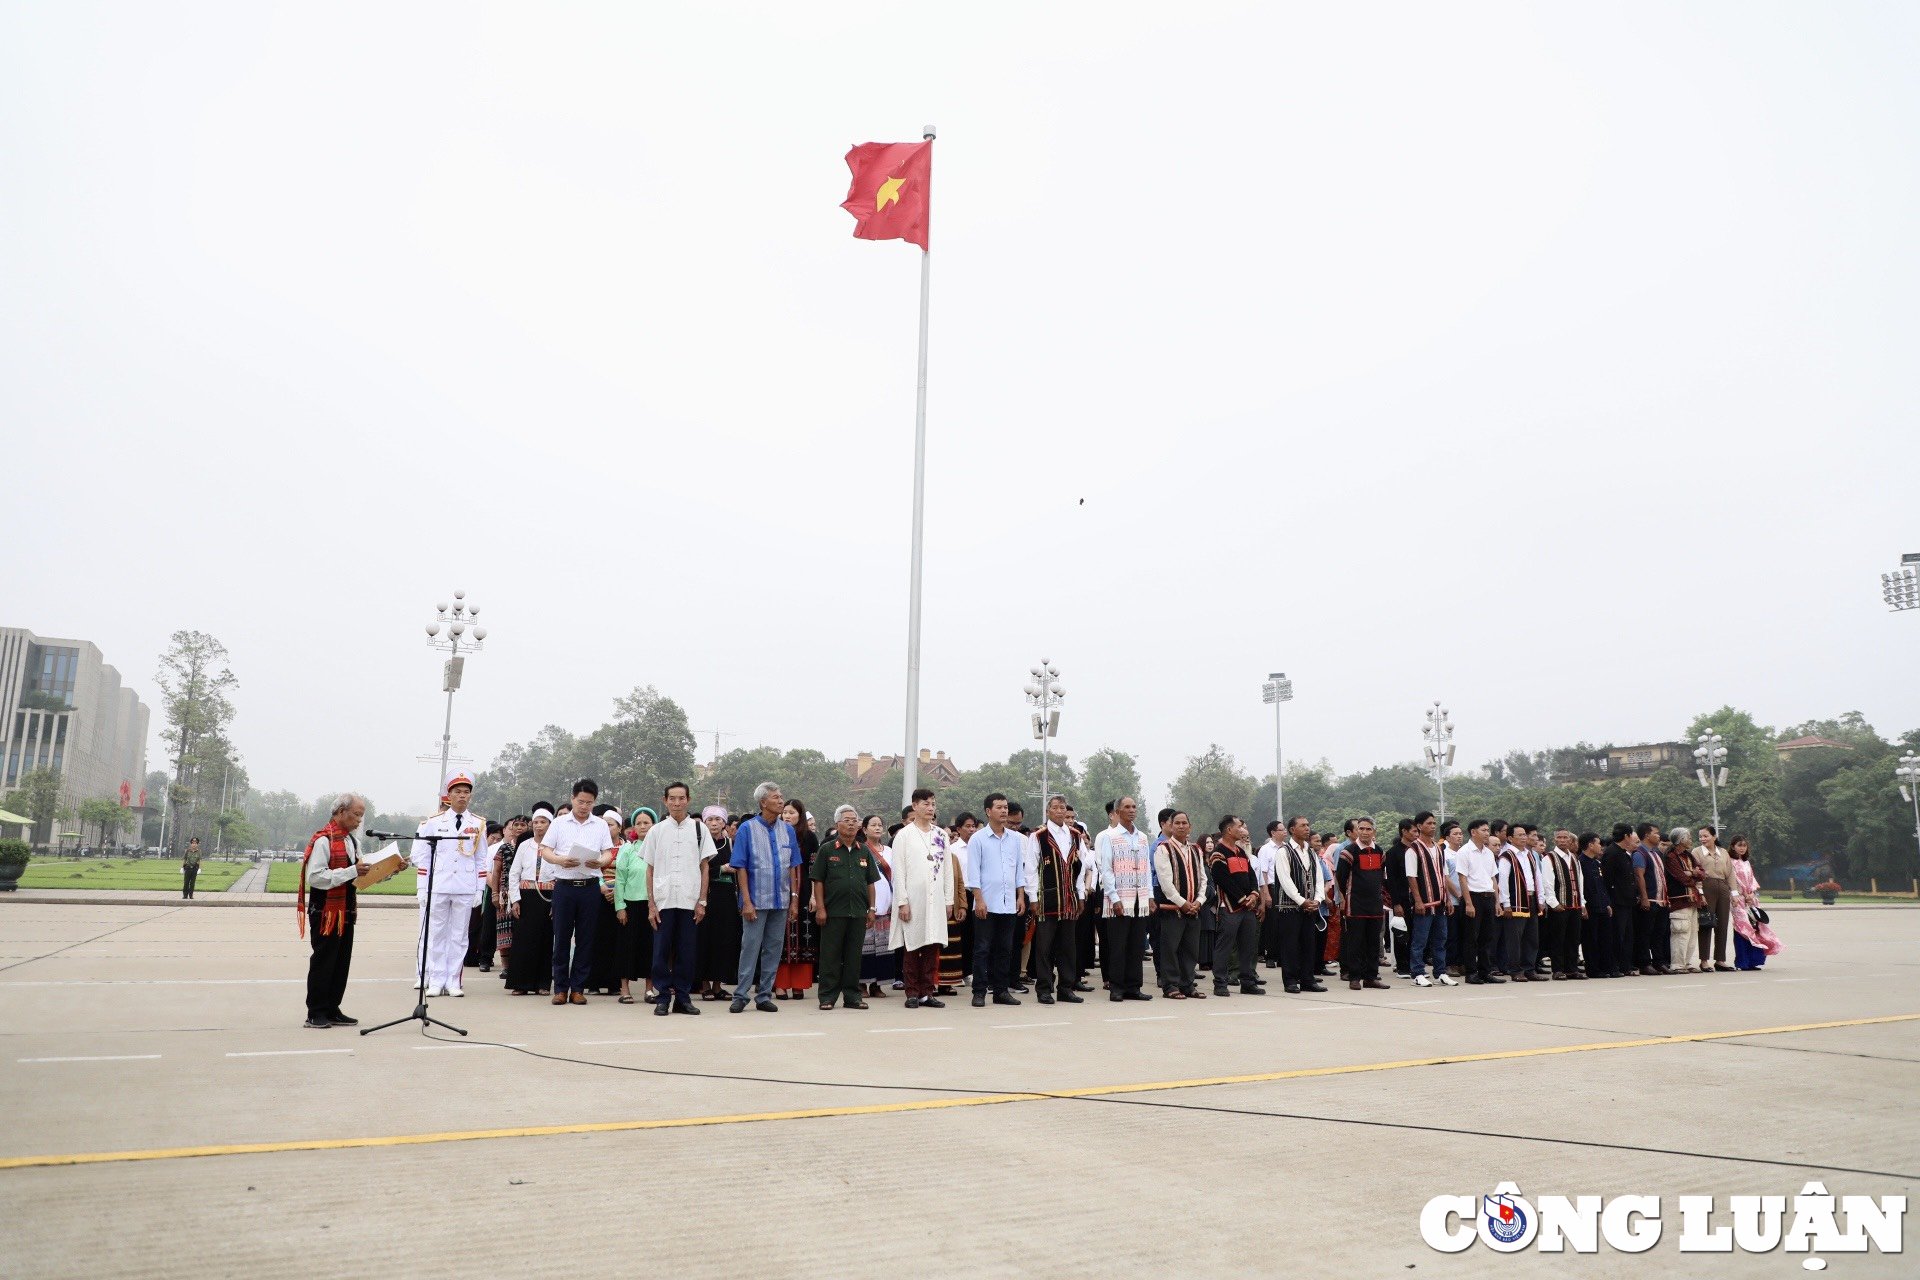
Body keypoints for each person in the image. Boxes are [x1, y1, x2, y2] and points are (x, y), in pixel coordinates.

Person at [411, 770, 489, 998]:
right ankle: (435, 980)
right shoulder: (433, 823)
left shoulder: (478, 824)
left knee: (459, 936)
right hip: (439, 884)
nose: (462, 796)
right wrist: (422, 887)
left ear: (470, 796)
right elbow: (422, 857)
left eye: (466, 792)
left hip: (464, 886)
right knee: (436, 934)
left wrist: (479, 888)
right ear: (449, 795)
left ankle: (453, 980)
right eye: (458, 792)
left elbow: (481, 859)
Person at [539, 779, 616, 1005]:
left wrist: (600, 861)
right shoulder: (559, 823)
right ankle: (561, 988)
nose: (584, 806)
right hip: (564, 886)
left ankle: (578, 988)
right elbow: (545, 851)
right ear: (573, 798)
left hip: (589, 887)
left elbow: (608, 853)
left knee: (586, 939)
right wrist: (560, 860)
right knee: (561, 938)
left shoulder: (600, 825)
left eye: (589, 803)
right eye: (581, 801)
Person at [300, 793, 373, 1028]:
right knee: (324, 960)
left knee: (341, 961)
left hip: (346, 910)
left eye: (362, 815)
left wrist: (389, 869)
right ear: (341, 811)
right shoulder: (324, 840)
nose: (359, 820)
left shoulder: (352, 841)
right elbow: (316, 877)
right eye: (357, 814)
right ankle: (316, 1011)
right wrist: (353, 871)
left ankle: (332, 1008)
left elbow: (359, 875)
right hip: (326, 911)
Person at [730, 782, 802, 1014]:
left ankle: (764, 995)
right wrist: (747, 901)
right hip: (755, 901)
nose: (781, 801)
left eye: (781, 797)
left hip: (781, 901)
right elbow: (740, 867)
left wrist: (794, 900)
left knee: (773, 948)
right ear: (763, 802)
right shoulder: (746, 829)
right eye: (776, 797)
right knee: (750, 947)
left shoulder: (788, 830)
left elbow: (793, 866)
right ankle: (741, 995)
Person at [643, 783, 712, 1017]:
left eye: (681, 798)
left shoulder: (699, 828)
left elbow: (705, 868)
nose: (677, 803)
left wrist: (702, 900)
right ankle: (662, 998)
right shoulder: (656, 831)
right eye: (672, 798)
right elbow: (649, 870)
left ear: (688, 800)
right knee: (660, 952)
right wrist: (651, 904)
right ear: (665, 801)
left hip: (689, 900)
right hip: (663, 901)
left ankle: (683, 998)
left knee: (686, 951)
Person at [888, 788, 954, 1008]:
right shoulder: (903, 836)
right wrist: (902, 901)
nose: (930, 808)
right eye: (926, 803)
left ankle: (927, 991)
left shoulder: (941, 835)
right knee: (912, 946)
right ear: (915, 806)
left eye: (933, 803)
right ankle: (912, 992)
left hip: (936, 901)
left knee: (932, 945)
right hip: (912, 901)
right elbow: (899, 872)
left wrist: (949, 900)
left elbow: (947, 870)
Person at [811, 805, 880, 1010]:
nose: (851, 823)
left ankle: (852, 996)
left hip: (858, 912)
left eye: (854, 820)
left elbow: (870, 882)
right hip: (833, 912)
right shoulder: (827, 849)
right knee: (830, 956)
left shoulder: (864, 850)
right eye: (846, 820)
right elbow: (818, 881)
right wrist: (821, 908)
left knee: (853, 956)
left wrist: (872, 909)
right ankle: (827, 997)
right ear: (837, 824)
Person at [965, 793, 1028, 1008]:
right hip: (986, 904)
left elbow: (1019, 871)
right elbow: (973, 874)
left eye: (1005, 807)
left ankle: (1001, 991)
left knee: (1005, 949)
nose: (1003, 811)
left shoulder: (1015, 840)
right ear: (988, 811)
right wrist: (979, 900)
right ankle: (979, 991)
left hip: (1009, 903)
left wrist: (1020, 896)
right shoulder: (978, 839)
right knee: (982, 949)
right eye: (999, 807)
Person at [1096, 796, 1155, 1002]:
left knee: (1136, 945)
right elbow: (1106, 869)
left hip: (1140, 899)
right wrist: (1114, 897)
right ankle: (1117, 987)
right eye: (1127, 807)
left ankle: (1134, 986)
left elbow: (1147, 868)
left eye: (1134, 807)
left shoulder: (1142, 837)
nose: (1131, 810)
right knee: (1118, 945)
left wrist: (1150, 896)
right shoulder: (1109, 837)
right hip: (1120, 899)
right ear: (1117, 811)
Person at [1028, 795, 1085, 1005]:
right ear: (1048, 811)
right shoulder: (1039, 836)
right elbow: (1031, 869)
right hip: (1046, 898)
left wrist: (1081, 895)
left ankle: (1066, 988)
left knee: (1068, 947)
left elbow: (1080, 868)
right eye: (1055, 807)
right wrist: (1033, 897)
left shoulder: (1076, 835)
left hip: (1069, 898)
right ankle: (1044, 988)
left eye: (1063, 807)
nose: (1060, 811)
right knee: (1044, 948)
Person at [1151, 811, 1206, 999]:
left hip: (1194, 909)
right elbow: (1165, 882)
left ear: (1190, 826)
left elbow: (1203, 879)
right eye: (1177, 823)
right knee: (1170, 949)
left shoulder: (1196, 850)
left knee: (1190, 949)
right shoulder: (1163, 848)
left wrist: (1199, 901)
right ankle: (1170, 986)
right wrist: (1183, 903)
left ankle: (1188, 984)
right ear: (1171, 826)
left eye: (1185, 823)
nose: (1181, 826)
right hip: (1172, 909)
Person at [1208, 815, 1264, 997]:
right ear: (1229, 830)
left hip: (1248, 907)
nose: (1243, 830)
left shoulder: (1240, 852)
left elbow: (1251, 876)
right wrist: (1242, 898)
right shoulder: (1218, 853)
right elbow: (1223, 880)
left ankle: (1247, 981)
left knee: (1248, 945)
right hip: (1229, 907)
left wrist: (1254, 894)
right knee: (1225, 946)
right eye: (1240, 826)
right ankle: (1220, 983)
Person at [1271, 816, 1327, 994]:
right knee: (1290, 945)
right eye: (1302, 826)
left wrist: (1318, 899)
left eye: (1308, 825)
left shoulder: (1311, 852)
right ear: (1292, 830)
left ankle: (1307, 980)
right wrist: (1302, 901)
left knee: (1308, 944)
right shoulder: (1283, 852)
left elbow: (1318, 878)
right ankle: (1290, 980)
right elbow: (1285, 880)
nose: (1307, 828)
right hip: (1290, 907)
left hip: (1310, 907)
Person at [1334, 817, 1390, 991]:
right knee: (1355, 942)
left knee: (1373, 942)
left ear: (1374, 831)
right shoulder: (1348, 852)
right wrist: (1343, 899)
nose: (1365, 832)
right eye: (1362, 828)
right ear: (1357, 831)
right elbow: (1340, 879)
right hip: (1355, 904)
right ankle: (1354, 977)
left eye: (1368, 829)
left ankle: (1371, 977)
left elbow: (1382, 877)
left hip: (1375, 904)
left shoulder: (1380, 851)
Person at [504, 805, 555, 995]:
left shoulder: (556, 847)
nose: (539, 826)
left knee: (545, 940)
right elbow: (514, 873)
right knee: (524, 941)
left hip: (548, 898)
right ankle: (520, 984)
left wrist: (556, 901)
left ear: (550, 825)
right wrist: (515, 900)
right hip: (526, 897)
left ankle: (543, 984)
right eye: (536, 822)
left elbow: (560, 875)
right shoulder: (524, 846)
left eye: (543, 822)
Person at [1405, 811, 1454, 988]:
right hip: (1424, 902)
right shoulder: (1413, 849)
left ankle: (1440, 972)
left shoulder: (1439, 848)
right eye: (1428, 823)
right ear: (1419, 826)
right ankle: (1417, 973)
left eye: (1434, 823)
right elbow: (1411, 877)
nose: (1432, 826)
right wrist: (1417, 900)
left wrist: (1447, 898)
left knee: (1441, 939)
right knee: (1420, 940)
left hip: (1440, 901)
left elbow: (1444, 874)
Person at [613, 806, 657, 1004]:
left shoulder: (658, 848)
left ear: (654, 825)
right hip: (630, 905)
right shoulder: (627, 849)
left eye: (646, 822)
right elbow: (620, 879)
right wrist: (619, 906)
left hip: (653, 906)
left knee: (650, 947)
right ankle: (625, 989)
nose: (642, 826)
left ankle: (649, 989)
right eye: (638, 823)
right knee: (626, 947)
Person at [697, 806, 740, 1001]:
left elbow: (740, 868)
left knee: (725, 941)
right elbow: (697, 869)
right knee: (705, 939)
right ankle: (704, 985)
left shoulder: (730, 844)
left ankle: (717, 985)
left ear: (724, 823)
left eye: (718, 819)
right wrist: (721, 868)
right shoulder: (698, 843)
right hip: (706, 897)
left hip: (727, 898)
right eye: (710, 820)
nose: (714, 823)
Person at [778, 799, 820, 1000]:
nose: (787, 816)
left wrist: (813, 896)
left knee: (804, 936)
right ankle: (780, 985)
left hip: (804, 891)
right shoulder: (776, 834)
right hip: (780, 888)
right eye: (784, 812)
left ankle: (799, 985)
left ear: (800, 815)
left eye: (791, 812)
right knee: (780, 937)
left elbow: (814, 869)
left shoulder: (809, 837)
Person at [1455, 820, 1504, 985]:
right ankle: (1471, 972)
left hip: (1488, 897)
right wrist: (1468, 903)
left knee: (1487, 937)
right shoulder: (1464, 852)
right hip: (1473, 897)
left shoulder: (1489, 853)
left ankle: (1485, 972)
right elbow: (1462, 878)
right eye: (1483, 830)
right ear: (1473, 832)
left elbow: (1493, 878)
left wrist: (1497, 901)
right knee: (1471, 938)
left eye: (1487, 830)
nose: (1486, 833)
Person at [587, 802, 627, 996]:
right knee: (596, 938)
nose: (606, 827)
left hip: (621, 897)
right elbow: (592, 869)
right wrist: (602, 887)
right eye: (603, 823)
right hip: (598, 894)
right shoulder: (596, 845)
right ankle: (593, 982)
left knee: (617, 940)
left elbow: (628, 872)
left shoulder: (627, 848)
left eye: (611, 824)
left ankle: (614, 983)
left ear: (620, 827)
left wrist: (617, 890)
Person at [1494, 824, 1541, 982]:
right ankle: (1515, 970)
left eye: (1524, 835)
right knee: (1515, 938)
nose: (1523, 837)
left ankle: (1529, 969)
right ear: (1510, 838)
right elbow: (1503, 881)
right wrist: (1505, 903)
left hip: (1531, 898)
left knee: (1531, 937)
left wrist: (1540, 899)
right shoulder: (1506, 856)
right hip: (1516, 901)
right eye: (1519, 835)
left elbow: (1537, 878)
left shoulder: (1529, 854)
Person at [1727, 835, 1782, 969]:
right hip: (1738, 899)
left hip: (1751, 900)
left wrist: (1751, 893)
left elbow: (1751, 880)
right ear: (1733, 846)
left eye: (1744, 846)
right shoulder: (1730, 862)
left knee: (1755, 928)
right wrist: (1744, 894)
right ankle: (1742, 962)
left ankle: (1754, 961)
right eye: (1739, 845)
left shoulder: (1746, 862)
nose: (1742, 848)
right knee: (1742, 929)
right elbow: (1733, 880)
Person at [939, 812, 977, 995]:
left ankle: (967, 972)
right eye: (967, 826)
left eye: (973, 826)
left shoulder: (978, 847)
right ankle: (950, 976)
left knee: (971, 937)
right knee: (953, 939)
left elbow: (963, 880)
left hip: (975, 896)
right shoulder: (952, 850)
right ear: (959, 829)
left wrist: (965, 904)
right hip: (951, 900)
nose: (971, 829)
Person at [484, 814, 526, 975]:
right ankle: (506, 967)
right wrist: (495, 893)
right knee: (504, 929)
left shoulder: (531, 846)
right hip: (505, 893)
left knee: (521, 930)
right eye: (516, 825)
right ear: (511, 829)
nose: (520, 828)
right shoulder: (504, 848)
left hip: (525, 893)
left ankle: (520, 965)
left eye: (523, 825)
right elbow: (496, 872)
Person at [1542, 829, 1586, 979]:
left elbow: (1580, 882)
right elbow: (1547, 882)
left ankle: (1572, 968)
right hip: (1559, 905)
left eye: (1565, 838)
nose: (1562, 840)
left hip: (1575, 904)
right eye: (1559, 838)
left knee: (1573, 938)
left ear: (1570, 841)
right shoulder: (1549, 858)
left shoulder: (1574, 857)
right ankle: (1558, 970)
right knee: (1558, 939)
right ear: (1554, 840)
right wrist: (1553, 902)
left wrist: (1582, 903)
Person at [860, 815, 896, 998]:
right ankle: (862, 984)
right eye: (873, 825)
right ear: (864, 829)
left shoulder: (890, 851)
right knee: (865, 946)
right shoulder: (861, 850)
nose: (877, 828)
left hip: (887, 905)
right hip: (869, 905)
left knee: (883, 947)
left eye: (880, 825)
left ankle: (877, 985)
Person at [1630, 821, 1672, 975]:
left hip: (1662, 900)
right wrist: (1644, 897)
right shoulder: (1639, 853)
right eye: (1655, 833)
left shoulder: (1656, 853)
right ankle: (1644, 963)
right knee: (1645, 933)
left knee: (1659, 933)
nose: (1658, 836)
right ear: (1647, 835)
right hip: (1651, 899)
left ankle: (1659, 962)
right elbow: (1639, 876)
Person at [1577, 832, 1619, 978]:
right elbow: (1582, 887)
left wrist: (1607, 903)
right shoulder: (1580, 863)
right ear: (1590, 845)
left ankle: (1606, 967)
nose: (1600, 846)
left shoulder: (1596, 863)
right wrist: (1583, 906)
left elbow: (1602, 885)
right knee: (1590, 940)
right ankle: (1593, 970)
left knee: (1605, 938)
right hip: (1589, 907)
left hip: (1602, 905)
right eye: (1598, 843)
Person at [1664, 826, 1705, 974]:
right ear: (1680, 840)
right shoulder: (1671, 857)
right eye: (1688, 837)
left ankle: (1687, 962)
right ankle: (1677, 964)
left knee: (1693, 932)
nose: (1691, 840)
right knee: (1680, 932)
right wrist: (1692, 875)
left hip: (1693, 899)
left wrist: (1692, 873)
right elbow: (1681, 878)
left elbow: (1702, 873)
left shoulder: (1688, 855)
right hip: (1679, 900)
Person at [1600, 825, 1640, 977]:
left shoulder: (1624, 853)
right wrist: (1609, 901)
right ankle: (1613, 966)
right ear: (1626, 836)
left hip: (1628, 901)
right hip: (1617, 901)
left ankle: (1626, 965)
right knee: (1617, 935)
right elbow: (1607, 880)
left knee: (1628, 936)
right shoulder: (1612, 853)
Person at [1695, 826, 1735, 972]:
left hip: (1723, 887)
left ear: (1714, 836)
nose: (1702, 839)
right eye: (1700, 836)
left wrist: (1734, 894)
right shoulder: (1697, 852)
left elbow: (1730, 873)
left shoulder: (1723, 852)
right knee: (1706, 923)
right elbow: (1696, 875)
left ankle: (1720, 960)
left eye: (1705, 836)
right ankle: (1704, 961)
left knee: (1722, 924)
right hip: (1706, 887)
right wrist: (1700, 893)